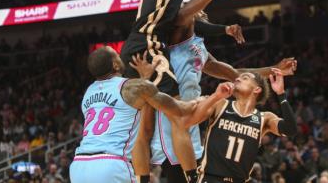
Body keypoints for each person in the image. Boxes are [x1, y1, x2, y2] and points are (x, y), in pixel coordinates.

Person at [147, 0, 296, 182]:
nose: (204, 12)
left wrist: (275, 69)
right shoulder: (179, 32)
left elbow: (236, 74)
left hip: (192, 112)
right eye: (200, 10)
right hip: (174, 108)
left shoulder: (200, 49)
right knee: (176, 174)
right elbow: (186, 15)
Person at [120, 0, 221, 183]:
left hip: (142, 46)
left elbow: (178, 16)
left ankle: (143, 179)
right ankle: (191, 176)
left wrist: (204, 3)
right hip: (148, 47)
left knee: (146, 124)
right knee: (179, 114)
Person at [69, 46, 223, 183]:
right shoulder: (133, 87)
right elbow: (179, 109)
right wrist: (202, 100)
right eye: (117, 55)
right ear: (115, 64)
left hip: (78, 165)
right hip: (111, 164)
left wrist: (144, 79)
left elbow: (125, 104)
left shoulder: (88, 93)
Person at [182, 69, 298, 183]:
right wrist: (216, 96)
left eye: (245, 78)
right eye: (239, 77)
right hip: (210, 178)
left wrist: (281, 94)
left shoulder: (264, 118)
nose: (237, 78)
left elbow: (290, 129)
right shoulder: (220, 104)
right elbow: (188, 122)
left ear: (257, 89)